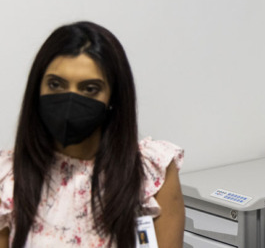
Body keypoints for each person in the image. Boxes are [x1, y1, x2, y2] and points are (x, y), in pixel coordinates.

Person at [0, 21, 185, 248]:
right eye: (56, 84)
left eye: (89, 89)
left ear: (113, 97)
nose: (70, 101)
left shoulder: (152, 172)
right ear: (37, 88)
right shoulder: (7, 178)